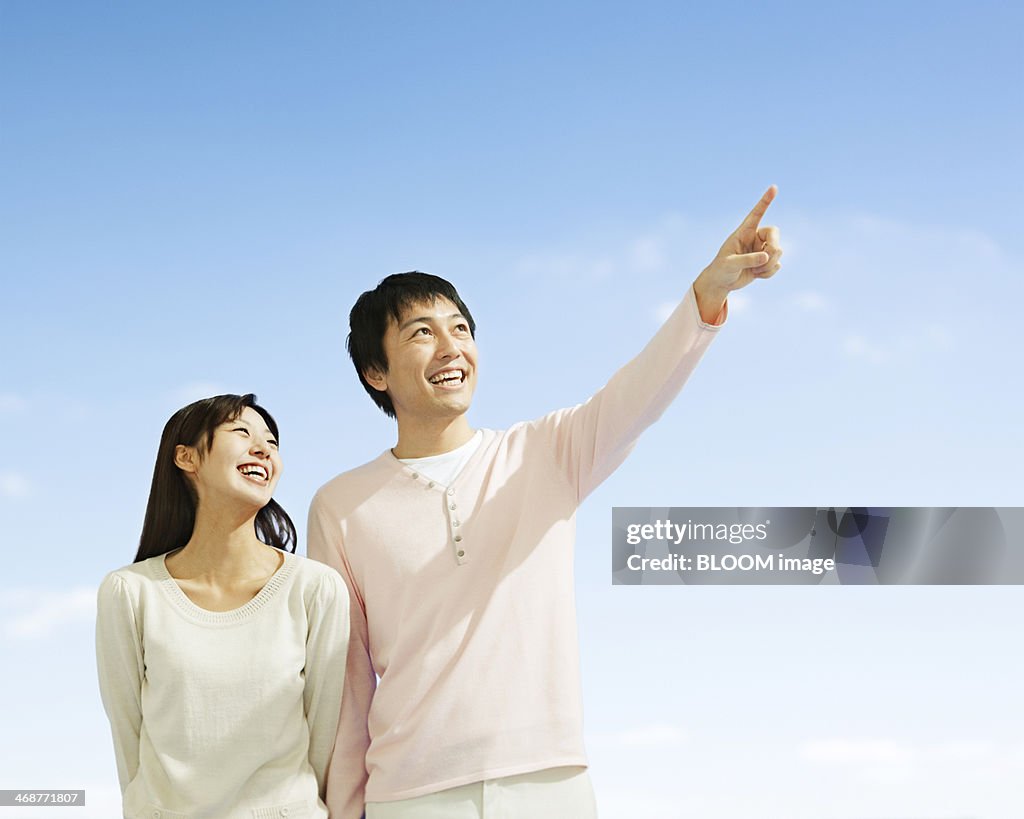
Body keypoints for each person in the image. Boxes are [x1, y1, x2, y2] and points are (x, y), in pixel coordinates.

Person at [308, 188, 784, 818]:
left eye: (461, 329)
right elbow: (343, 683)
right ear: (377, 371)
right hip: (411, 793)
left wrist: (707, 296)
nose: (451, 348)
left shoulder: (546, 453)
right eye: (422, 333)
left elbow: (637, 395)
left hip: (549, 783)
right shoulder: (340, 506)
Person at [96, 393, 349, 819]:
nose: (263, 449)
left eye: (272, 442)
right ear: (186, 458)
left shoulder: (315, 588)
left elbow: (323, 737)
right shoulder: (130, 592)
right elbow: (129, 739)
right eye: (242, 432)